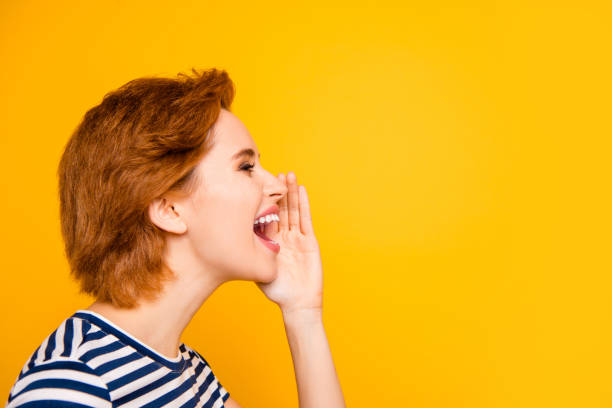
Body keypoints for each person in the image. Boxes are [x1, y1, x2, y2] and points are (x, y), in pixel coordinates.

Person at [6, 68, 346, 408]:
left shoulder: (190, 373)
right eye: (246, 167)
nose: (275, 185)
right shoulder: (71, 383)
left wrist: (303, 314)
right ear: (169, 209)